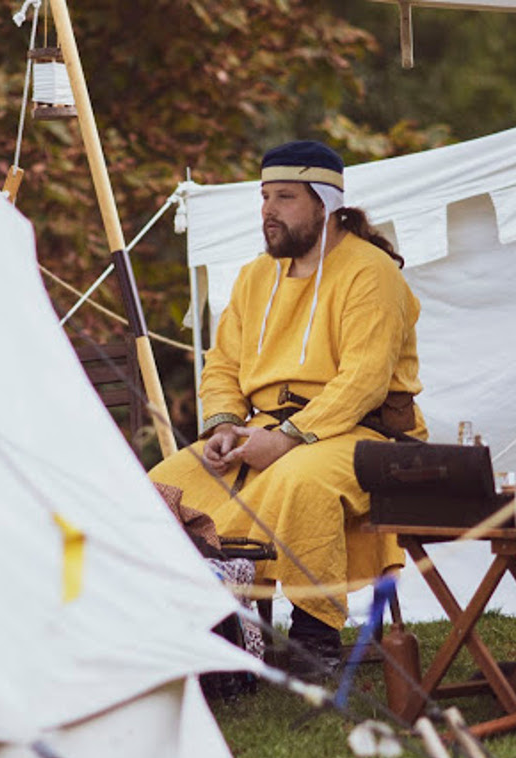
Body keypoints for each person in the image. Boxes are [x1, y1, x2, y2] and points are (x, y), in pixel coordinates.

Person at [149, 140, 427, 676]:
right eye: (264, 197)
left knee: (302, 482)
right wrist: (224, 426)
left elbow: (364, 381)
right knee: (163, 487)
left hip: (360, 433)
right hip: (260, 430)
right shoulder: (255, 276)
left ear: (326, 203)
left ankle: (314, 637)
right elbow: (222, 365)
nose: (268, 211)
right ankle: (202, 627)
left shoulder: (371, 273)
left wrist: (288, 437)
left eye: (285, 197)